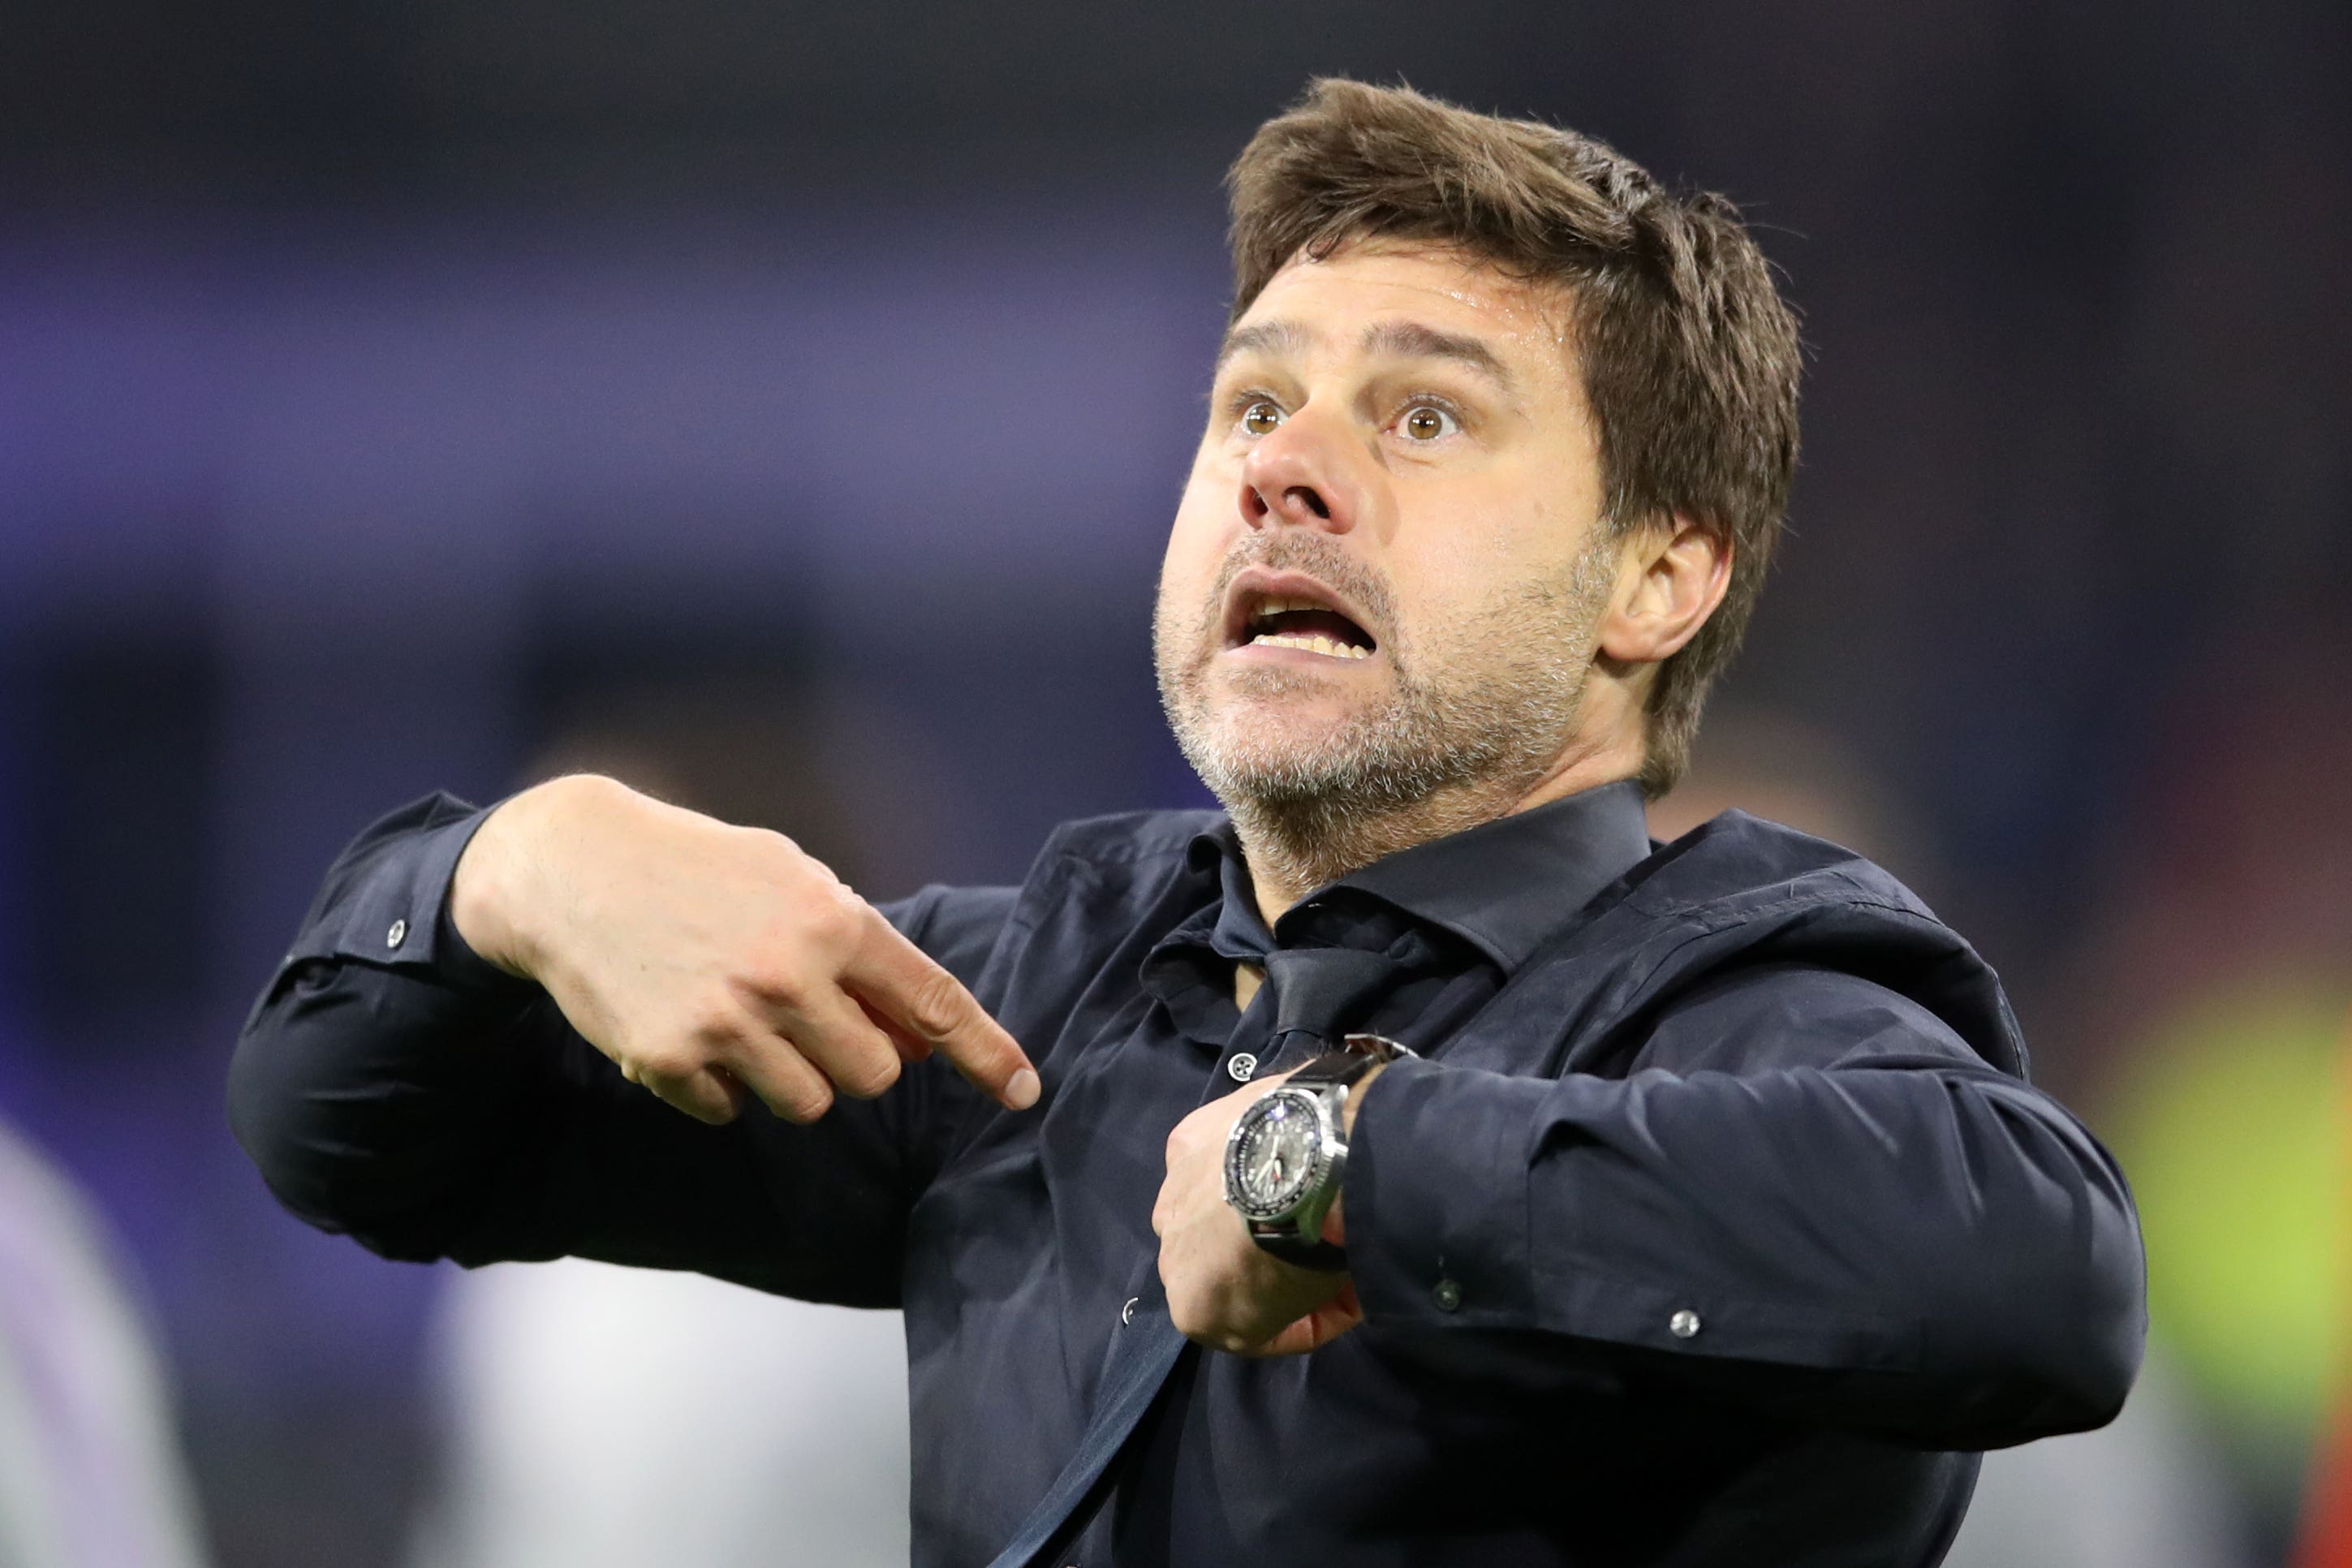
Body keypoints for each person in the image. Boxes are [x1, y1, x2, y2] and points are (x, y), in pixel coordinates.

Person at [228, 79, 2145, 1567]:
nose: (1286, 469)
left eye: (1423, 420)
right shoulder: (1046, 998)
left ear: (1655, 580)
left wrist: (1347, 1174)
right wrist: (507, 871)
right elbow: (352, 1134)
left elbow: (2039, 1271)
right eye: (1249, 406)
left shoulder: (1730, 987)